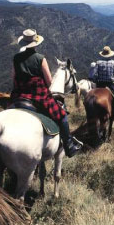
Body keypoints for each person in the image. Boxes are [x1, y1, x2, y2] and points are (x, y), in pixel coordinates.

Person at [11, 28, 83, 158]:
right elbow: (49, 81)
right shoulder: (40, 58)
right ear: (36, 43)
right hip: (38, 96)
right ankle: (68, 145)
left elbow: (14, 78)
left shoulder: (16, 58)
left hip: (20, 95)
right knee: (61, 116)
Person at [92, 46, 114, 118]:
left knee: (91, 95)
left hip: (99, 84)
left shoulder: (98, 63)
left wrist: (95, 79)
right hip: (110, 84)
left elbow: (93, 75)